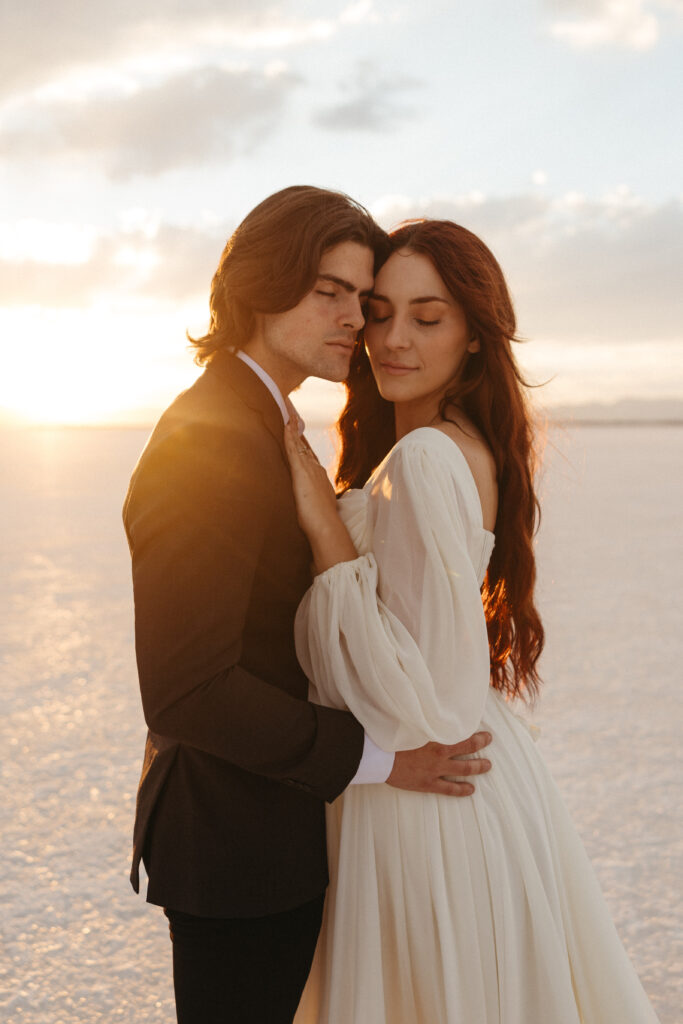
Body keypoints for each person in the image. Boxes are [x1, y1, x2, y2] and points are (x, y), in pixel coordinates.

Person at [122, 188, 493, 1024]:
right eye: (327, 292)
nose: (355, 321)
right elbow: (187, 688)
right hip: (236, 846)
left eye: (358, 300)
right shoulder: (209, 436)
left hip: (278, 829)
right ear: (258, 284)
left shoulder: (265, 419)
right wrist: (381, 761)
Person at [286, 219, 660, 1023]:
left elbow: (410, 683)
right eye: (379, 312)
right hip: (463, 777)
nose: (390, 340)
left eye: (428, 318)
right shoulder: (451, 444)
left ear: (476, 338)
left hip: (426, 791)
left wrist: (324, 533)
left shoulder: (425, 459)